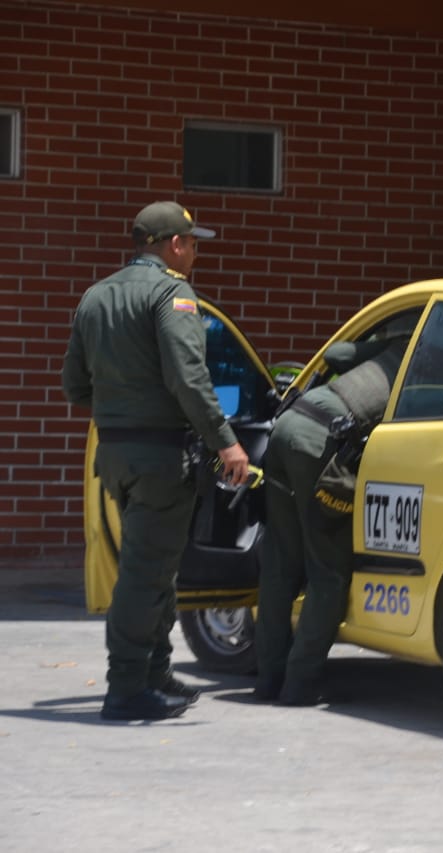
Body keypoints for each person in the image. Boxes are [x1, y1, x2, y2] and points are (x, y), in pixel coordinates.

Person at [62, 201, 251, 721]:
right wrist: (226, 442)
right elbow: (189, 378)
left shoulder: (95, 297)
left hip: (116, 455)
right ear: (172, 245)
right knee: (145, 575)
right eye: (193, 244)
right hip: (162, 458)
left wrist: (122, 403)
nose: (195, 253)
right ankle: (125, 687)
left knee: (156, 568)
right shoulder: (173, 294)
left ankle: (154, 673)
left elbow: (74, 385)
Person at [253, 334, 408, 706]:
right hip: (321, 441)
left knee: (280, 565)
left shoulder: (401, 341)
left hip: (289, 422)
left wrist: (375, 344)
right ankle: (300, 685)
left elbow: (337, 353)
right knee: (328, 572)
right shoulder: (434, 358)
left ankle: (268, 681)